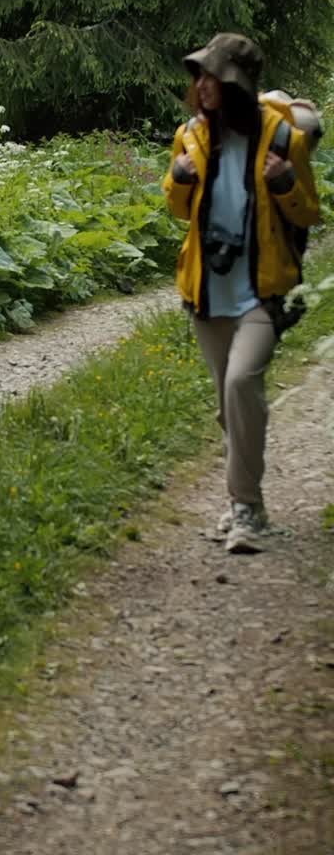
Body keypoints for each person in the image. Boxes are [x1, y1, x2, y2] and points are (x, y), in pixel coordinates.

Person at [163, 33, 320, 553]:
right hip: (207, 292)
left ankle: (246, 509)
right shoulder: (190, 135)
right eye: (199, 76)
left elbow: (309, 213)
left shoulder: (281, 138)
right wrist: (179, 179)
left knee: (240, 383)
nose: (202, 86)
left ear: (236, 84)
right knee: (228, 405)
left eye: (213, 76)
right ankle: (247, 504)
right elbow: (178, 209)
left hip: (262, 292)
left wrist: (285, 183)